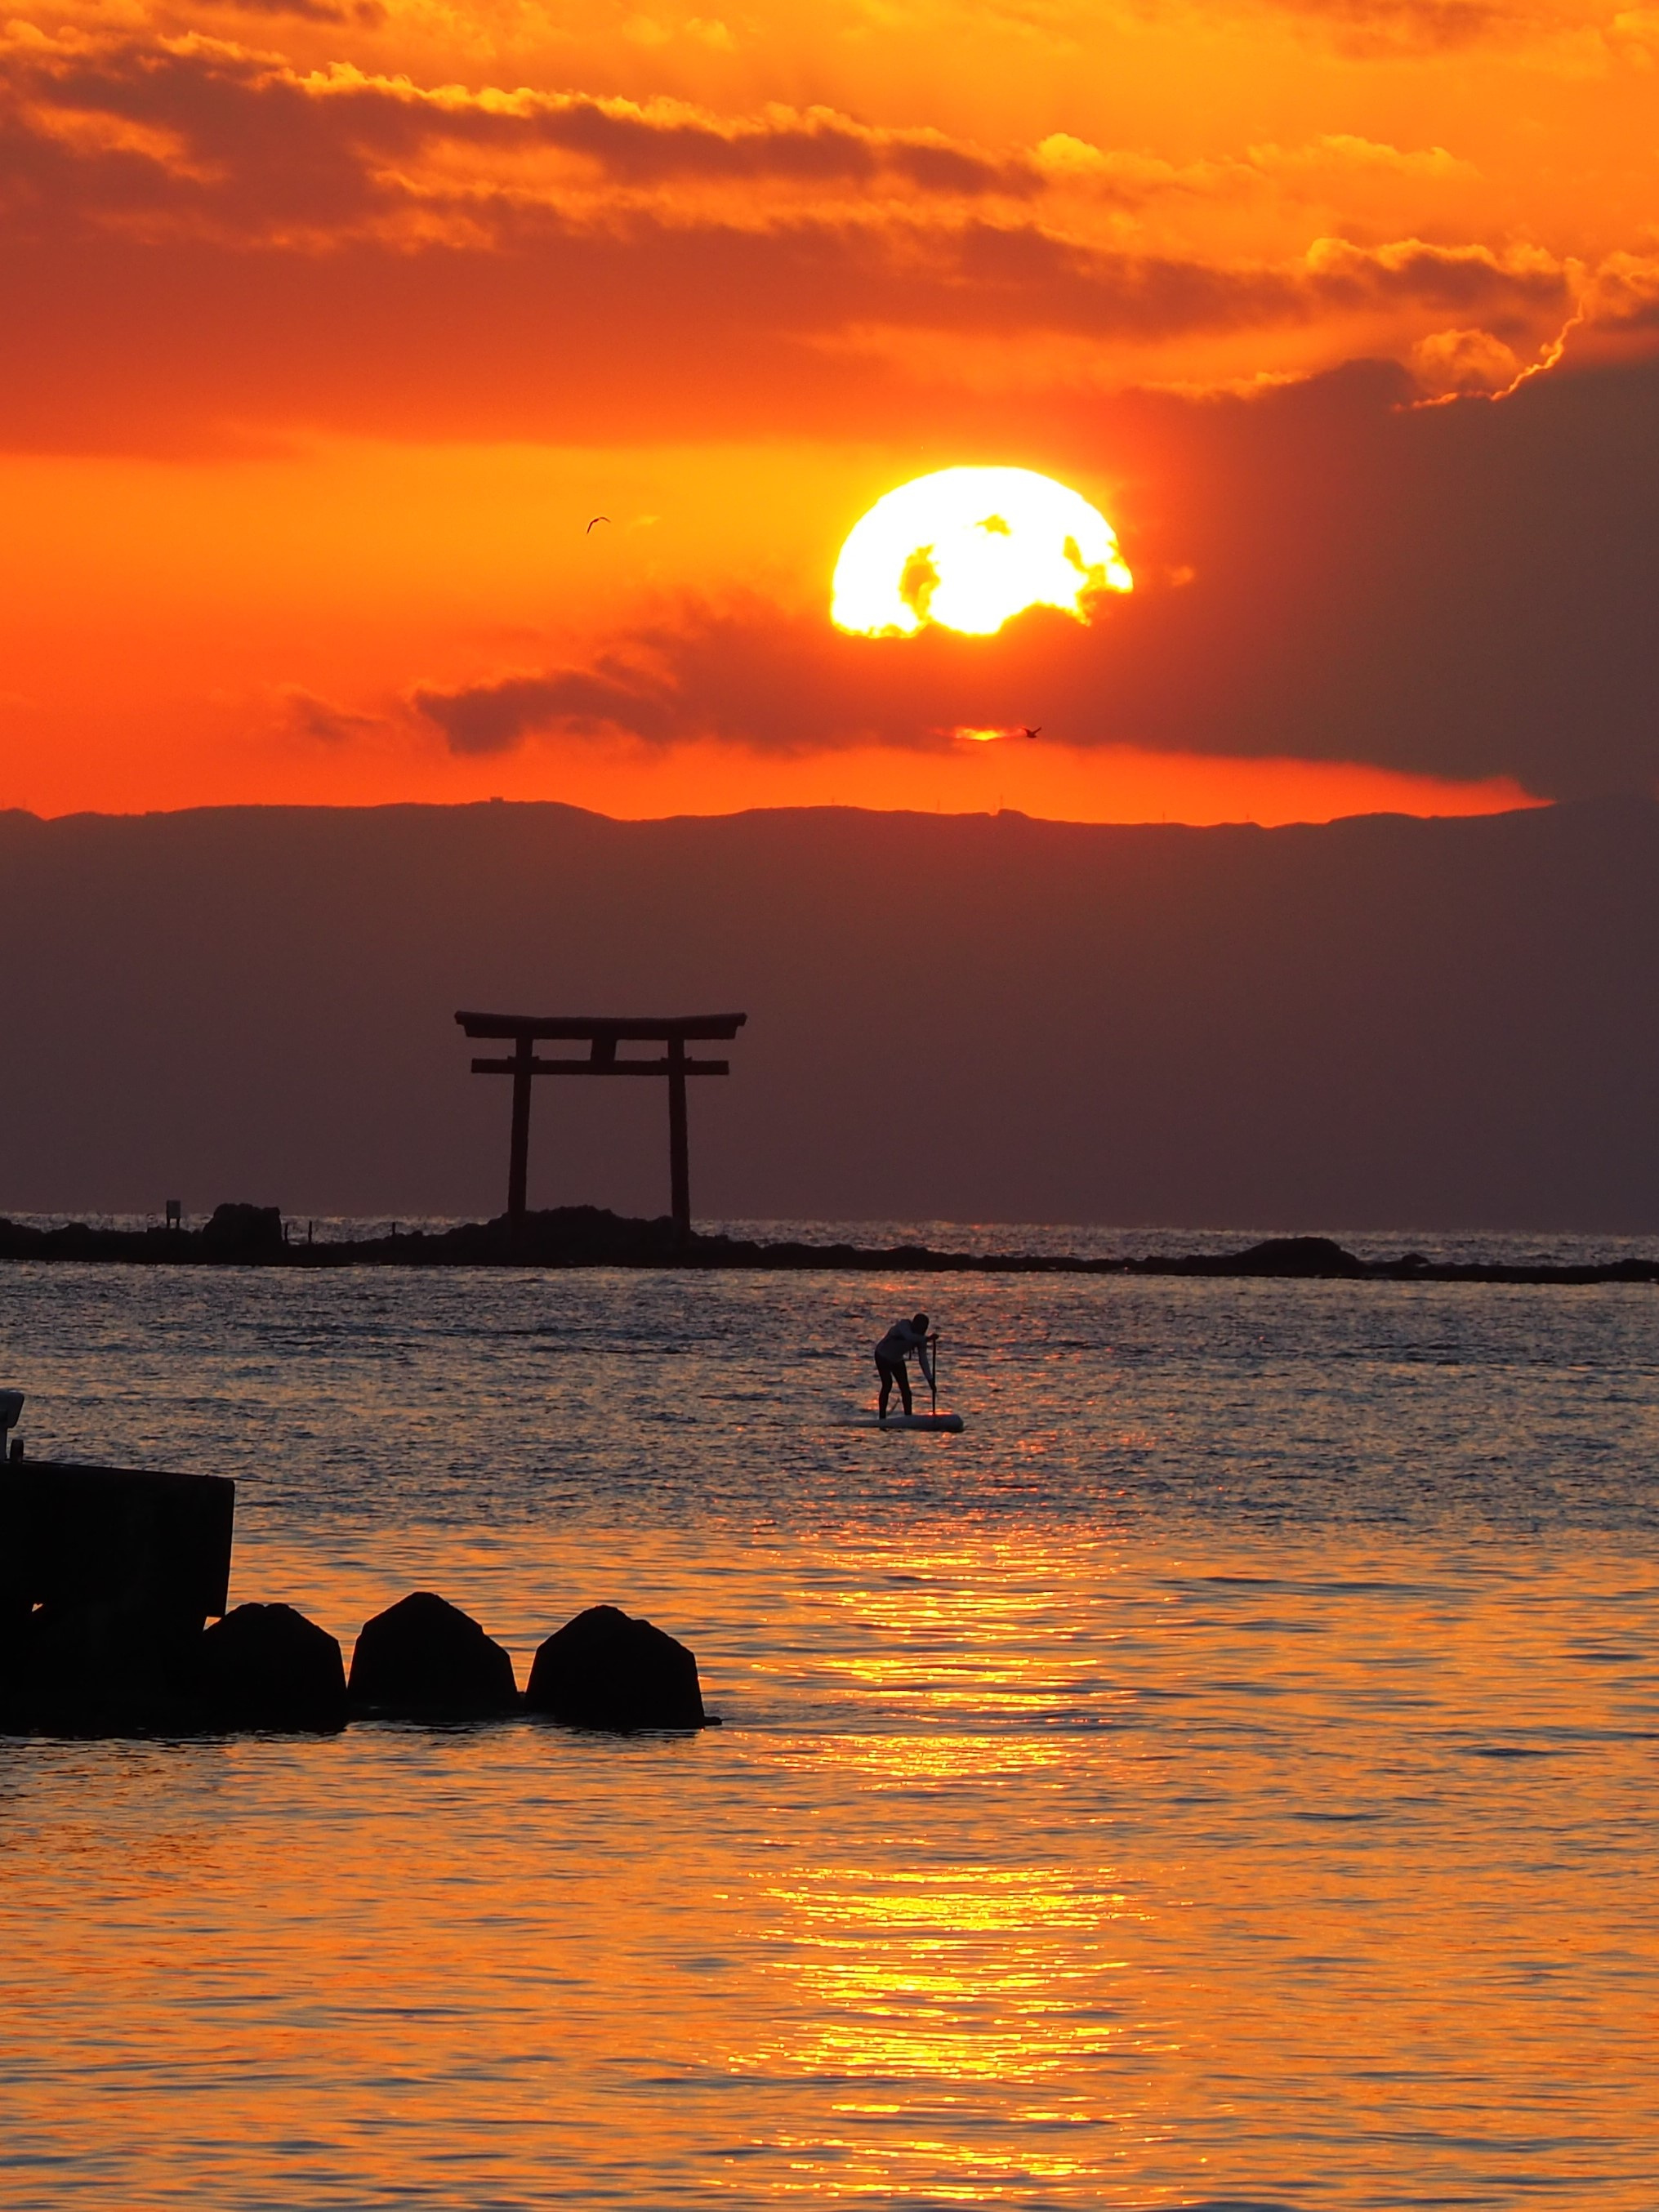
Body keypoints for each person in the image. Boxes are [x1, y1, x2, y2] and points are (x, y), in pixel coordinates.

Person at [875, 1312, 934, 1422]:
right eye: (921, 1327)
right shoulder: (904, 1325)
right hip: (882, 1355)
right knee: (887, 1385)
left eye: (925, 1328)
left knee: (906, 1390)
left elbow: (923, 1361)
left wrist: (930, 1380)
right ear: (915, 1324)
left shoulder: (921, 1340)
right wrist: (927, 1339)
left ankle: (908, 1418)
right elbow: (909, 1337)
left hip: (896, 1359)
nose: (923, 1330)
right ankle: (881, 1418)